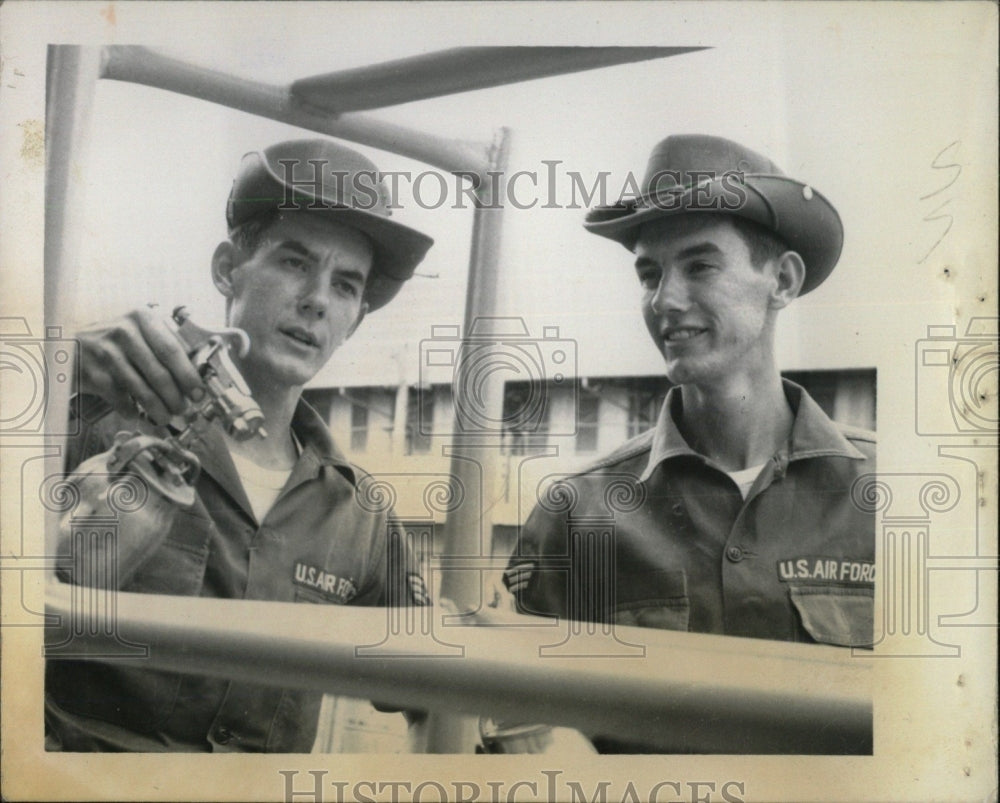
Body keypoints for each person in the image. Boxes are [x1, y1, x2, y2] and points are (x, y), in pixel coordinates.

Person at [45, 139, 434, 752]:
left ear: (355, 317)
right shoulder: (97, 416)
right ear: (228, 268)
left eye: (345, 285)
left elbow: (435, 690)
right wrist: (53, 364)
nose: (316, 300)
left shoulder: (362, 518)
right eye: (293, 262)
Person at [504, 134, 876, 753]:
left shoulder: (894, 496)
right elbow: (521, 737)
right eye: (650, 273)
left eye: (700, 265)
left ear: (781, 280)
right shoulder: (577, 514)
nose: (665, 300)